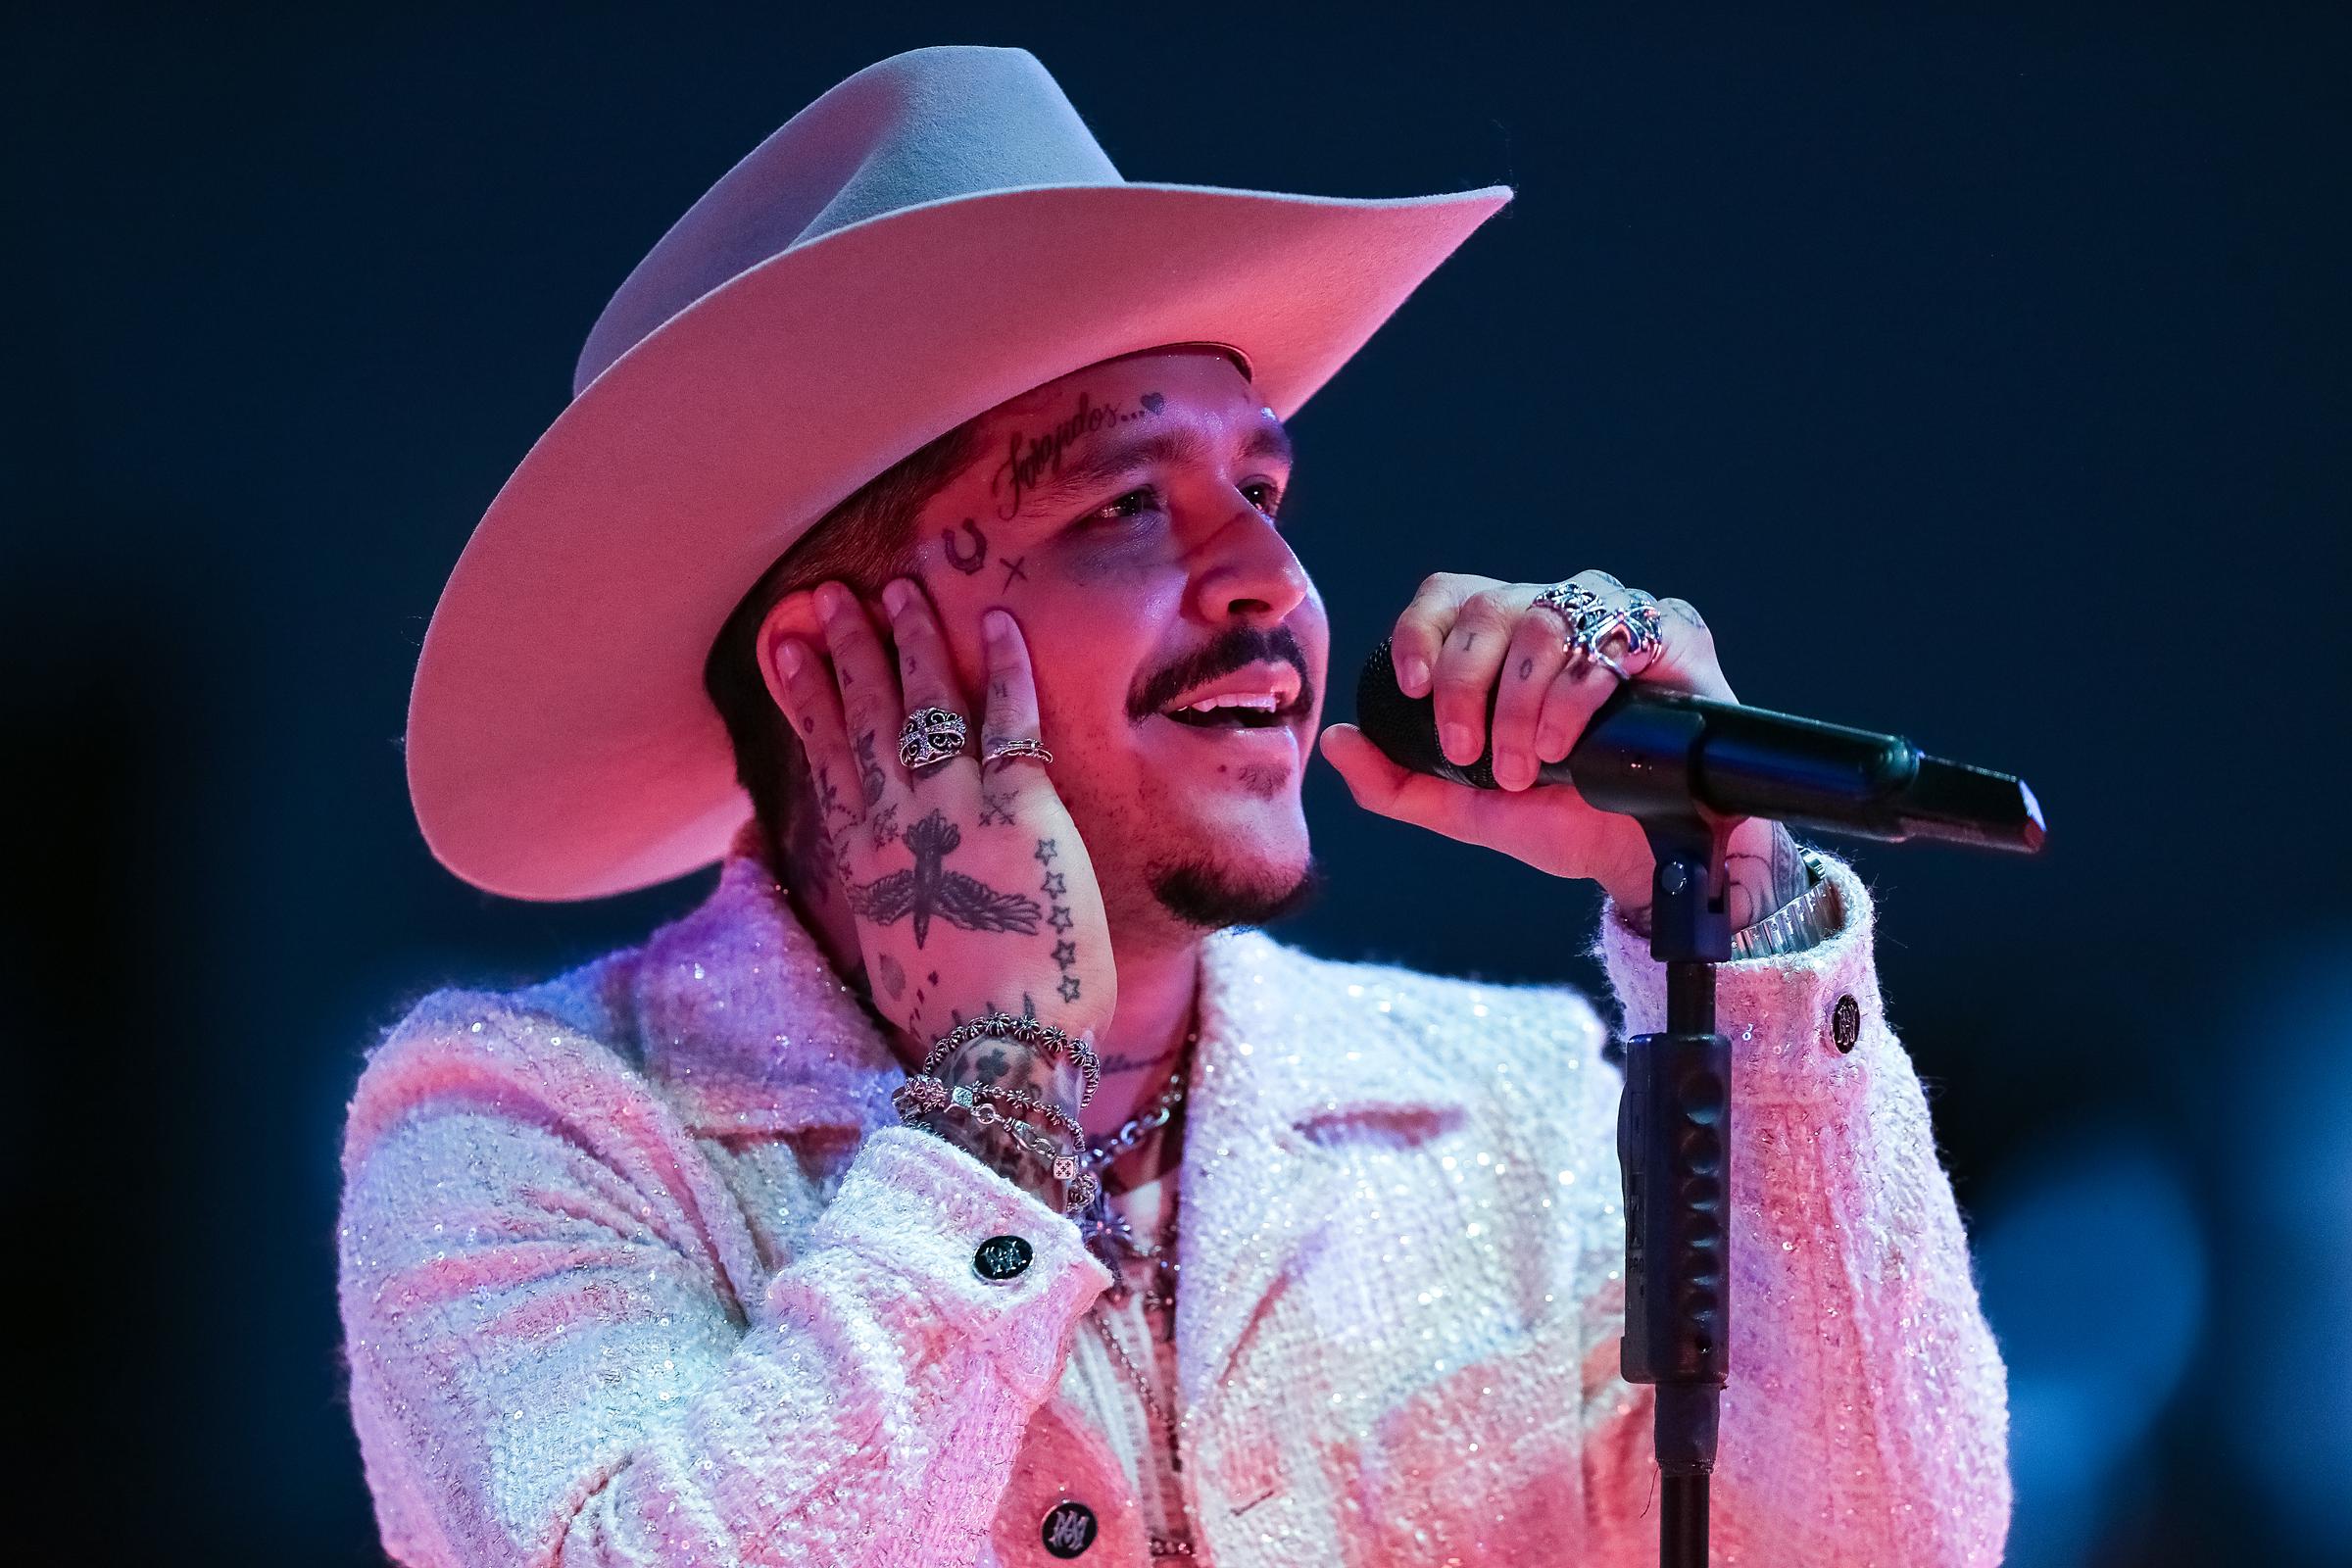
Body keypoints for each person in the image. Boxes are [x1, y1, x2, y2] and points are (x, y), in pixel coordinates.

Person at [339, 45, 2010, 1568]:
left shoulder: (1509, 1110)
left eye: (1264, 492)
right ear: (828, 666)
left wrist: (1729, 908)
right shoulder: (534, 1138)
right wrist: (997, 1102)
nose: (1270, 584)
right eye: (1128, 503)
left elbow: (1892, 1547)